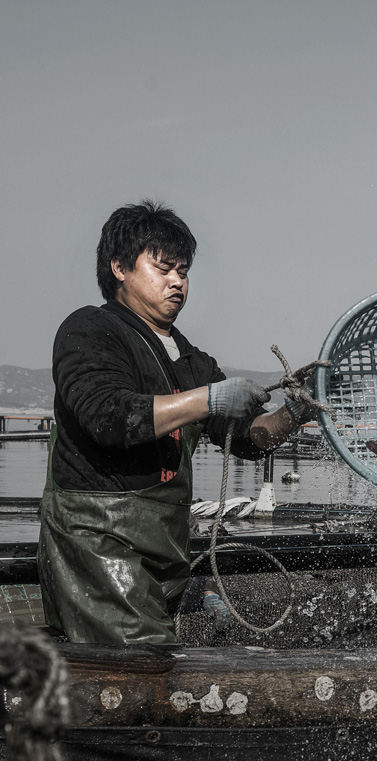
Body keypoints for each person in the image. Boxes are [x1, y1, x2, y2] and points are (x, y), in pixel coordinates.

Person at [38, 200, 310, 647]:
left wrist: (296, 413)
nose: (177, 282)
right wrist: (211, 398)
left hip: (166, 548)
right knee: (144, 664)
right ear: (120, 267)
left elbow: (249, 439)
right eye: (163, 268)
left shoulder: (192, 360)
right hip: (97, 543)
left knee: (156, 661)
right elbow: (108, 417)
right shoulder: (89, 330)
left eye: (182, 272)